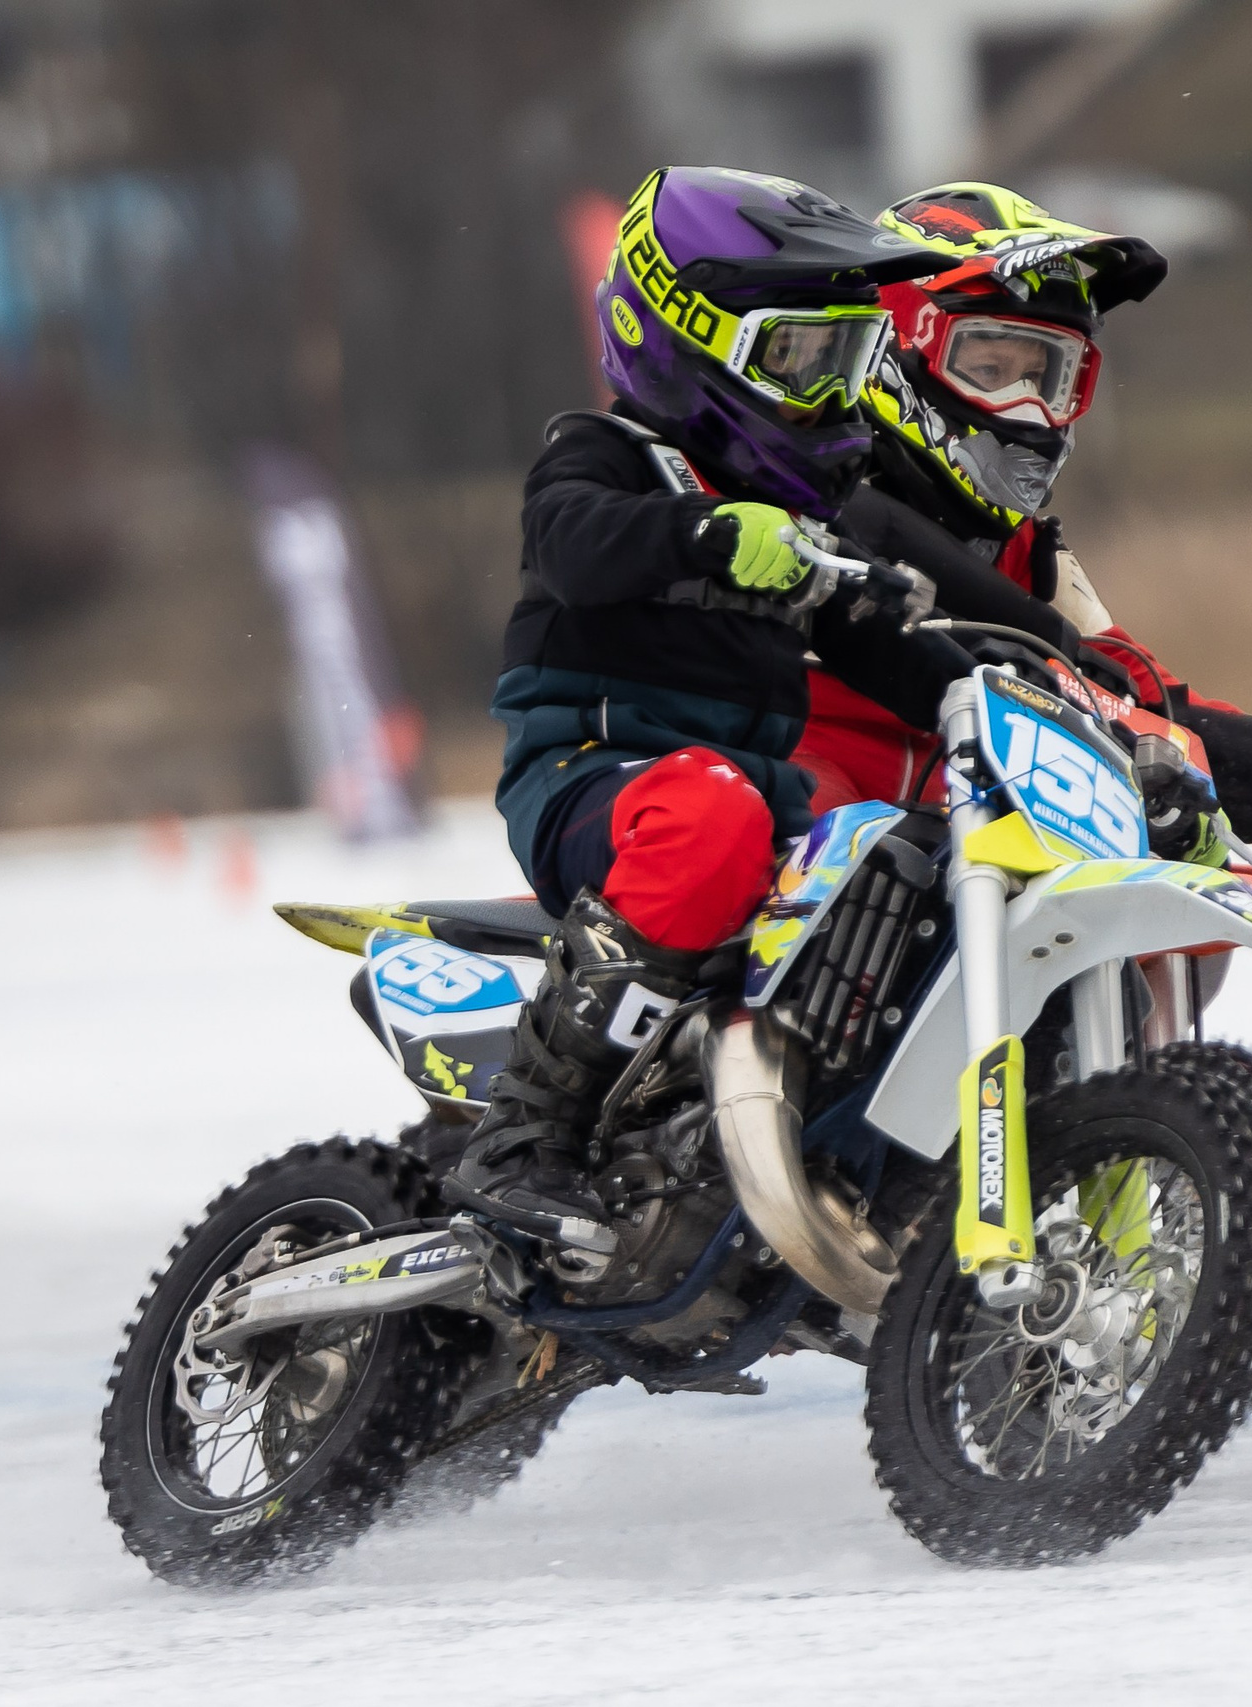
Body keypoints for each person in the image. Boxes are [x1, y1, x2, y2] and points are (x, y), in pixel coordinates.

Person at [444, 167, 963, 1248]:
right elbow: (574, 544)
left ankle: (847, 1153)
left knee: (908, 866)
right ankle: (525, 1135)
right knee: (709, 813)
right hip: (595, 780)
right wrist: (710, 536)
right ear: (683, 336)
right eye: (796, 357)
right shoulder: (606, 458)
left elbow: (895, 663)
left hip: (749, 806)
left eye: (845, 362)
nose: (822, 392)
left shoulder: (799, 523)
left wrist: (1006, 696)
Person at [799, 182, 1252, 851]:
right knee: (827, 833)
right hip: (809, 799)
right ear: (897, 347)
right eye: (990, 367)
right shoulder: (799, 480)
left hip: (965, 822)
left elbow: (1129, 687)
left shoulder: (1019, 550)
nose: (1026, 407)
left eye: (1046, 376)